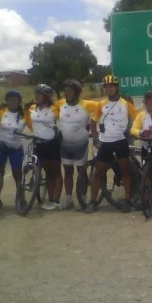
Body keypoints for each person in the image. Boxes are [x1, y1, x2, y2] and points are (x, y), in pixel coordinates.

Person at [86, 75, 137, 214]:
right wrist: (95, 138)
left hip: (120, 141)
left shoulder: (125, 104)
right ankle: (93, 201)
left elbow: (137, 118)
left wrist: (132, 130)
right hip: (105, 142)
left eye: (112, 86)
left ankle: (127, 200)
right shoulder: (101, 104)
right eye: (107, 87)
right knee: (98, 173)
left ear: (116, 88)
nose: (109, 89)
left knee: (125, 172)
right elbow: (93, 121)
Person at [57, 79, 98, 210]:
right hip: (64, 145)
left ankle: (82, 198)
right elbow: (45, 107)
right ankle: (69, 199)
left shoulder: (87, 105)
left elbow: (105, 106)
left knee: (81, 172)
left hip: (81, 144)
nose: (66, 93)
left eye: (69, 91)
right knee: (68, 171)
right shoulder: (60, 104)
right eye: (65, 91)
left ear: (77, 92)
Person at [25, 84, 62, 211]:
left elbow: (61, 123)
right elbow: (27, 120)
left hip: (52, 143)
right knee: (48, 173)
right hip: (39, 144)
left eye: (39, 94)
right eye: (36, 93)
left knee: (56, 172)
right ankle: (50, 198)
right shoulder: (32, 108)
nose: (36, 96)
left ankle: (56, 200)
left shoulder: (54, 108)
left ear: (46, 96)